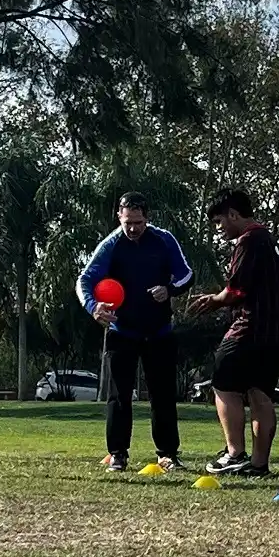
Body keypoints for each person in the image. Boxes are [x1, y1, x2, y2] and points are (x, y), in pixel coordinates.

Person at [77, 191, 195, 473]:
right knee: (119, 397)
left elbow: (187, 274)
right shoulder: (111, 245)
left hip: (159, 331)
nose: (132, 228)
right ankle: (118, 454)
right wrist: (94, 307)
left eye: (138, 222)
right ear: (119, 216)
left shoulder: (164, 240)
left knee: (163, 396)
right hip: (122, 331)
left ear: (147, 218)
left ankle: (167, 455)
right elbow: (85, 279)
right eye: (128, 221)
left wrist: (169, 289)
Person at [190, 189, 279, 477]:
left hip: (252, 328)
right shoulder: (269, 238)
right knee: (261, 393)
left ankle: (234, 453)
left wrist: (213, 300)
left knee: (222, 383)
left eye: (220, 221)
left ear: (234, 214)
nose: (219, 228)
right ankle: (259, 464)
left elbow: (236, 290)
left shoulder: (248, 241)